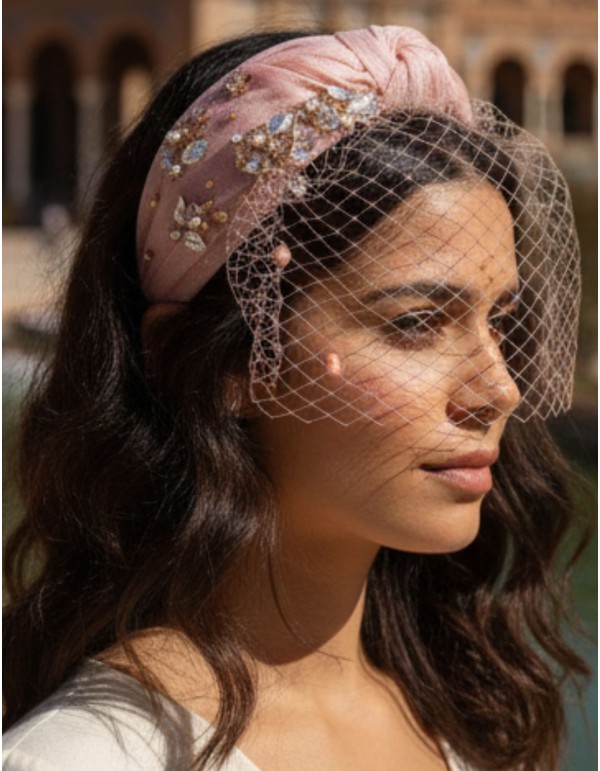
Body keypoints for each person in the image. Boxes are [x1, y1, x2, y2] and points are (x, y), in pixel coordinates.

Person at [3, 25, 589, 771]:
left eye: (498, 321)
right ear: (224, 361)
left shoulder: (480, 719)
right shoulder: (83, 758)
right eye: (415, 324)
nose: (499, 388)